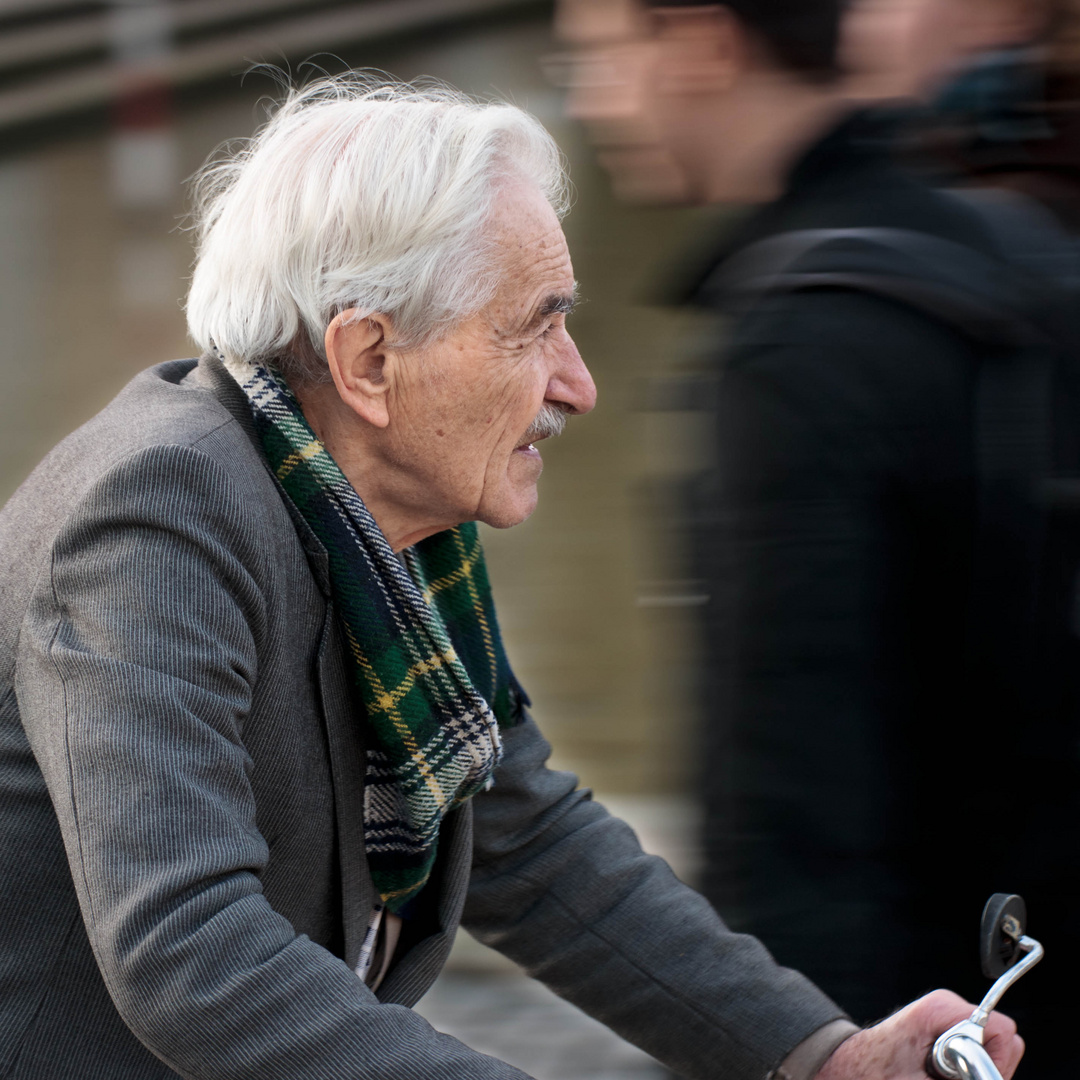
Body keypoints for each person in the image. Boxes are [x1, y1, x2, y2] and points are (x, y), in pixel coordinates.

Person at [0, 75, 1023, 1080]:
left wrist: (819, 1054)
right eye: (535, 325)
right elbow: (191, 953)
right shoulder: (154, 519)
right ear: (367, 360)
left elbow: (526, 842)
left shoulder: (387, 524)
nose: (577, 384)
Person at [556, 0, 1079, 1075]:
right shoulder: (1024, 257)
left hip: (938, 1027)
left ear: (702, 42)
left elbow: (789, 819)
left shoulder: (798, 344)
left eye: (603, 59)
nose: (592, 99)